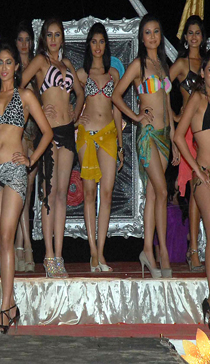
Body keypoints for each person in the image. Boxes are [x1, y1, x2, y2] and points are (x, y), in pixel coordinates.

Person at [0, 41, 52, 334]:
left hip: (15, 172)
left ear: (17, 66)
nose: (5, 67)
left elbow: (46, 132)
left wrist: (31, 158)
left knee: (7, 237)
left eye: (9, 62)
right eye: (1, 63)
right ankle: (10, 307)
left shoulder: (26, 96)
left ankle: (5, 310)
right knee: (0, 238)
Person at [112, 14, 180, 278]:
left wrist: (174, 139)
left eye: (156, 32)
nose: (152, 36)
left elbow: (167, 103)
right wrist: (137, 116)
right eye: (147, 32)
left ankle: (146, 252)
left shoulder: (162, 65)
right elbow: (116, 95)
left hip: (164, 136)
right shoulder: (139, 65)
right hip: (148, 134)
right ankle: (162, 251)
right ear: (141, 37)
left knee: (153, 194)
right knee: (162, 192)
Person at [174, 50, 210, 330]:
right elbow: (178, 136)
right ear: (203, 73)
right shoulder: (197, 99)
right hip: (205, 174)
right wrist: (196, 170)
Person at [22, 18, 85, 278]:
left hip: (67, 131)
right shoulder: (40, 62)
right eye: (49, 35)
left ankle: (59, 254)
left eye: (57, 35)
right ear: (43, 38)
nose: (53, 39)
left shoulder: (67, 64)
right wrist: (37, 105)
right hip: (48, 132)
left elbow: (81, 94)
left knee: (61, 194)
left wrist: (76, 114)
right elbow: (18, 85)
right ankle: (48, 255)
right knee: (48, 195)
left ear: (63, 38)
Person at [75, 23, 123, 272]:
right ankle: (92, 253)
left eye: (101, 41)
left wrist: (122, 145)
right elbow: (71, 99)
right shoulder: (81, 74)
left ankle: (102, 252)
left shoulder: (113, 74)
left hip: (109, 135)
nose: (97, 46)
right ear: (88, 45)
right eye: (93, 41)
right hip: (87, 135)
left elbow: (116, 108)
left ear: (106, 45)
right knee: (90, 192)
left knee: (107, 194)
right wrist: (75, 119)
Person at [169, 15, 206, 272]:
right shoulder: (181, 63)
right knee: (194, 188)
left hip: (208, 132)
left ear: (203, 36)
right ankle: (192, 249)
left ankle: (201, 244)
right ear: (185, 37)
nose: (193, 37)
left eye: (197, 33)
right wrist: (174, 117)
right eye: (190, 33)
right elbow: (159, 87)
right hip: (187, 133)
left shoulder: (209, 63)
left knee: (207, 187)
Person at [15, 21, 37, 272]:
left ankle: (21, 246)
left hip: (35, 135)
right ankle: (27, 247)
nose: (23, 44)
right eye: (19, 39)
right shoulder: (16, 69)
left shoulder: (37, 66)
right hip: (18, 136)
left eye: (26, 40)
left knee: (28, 194)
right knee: (19, 191)